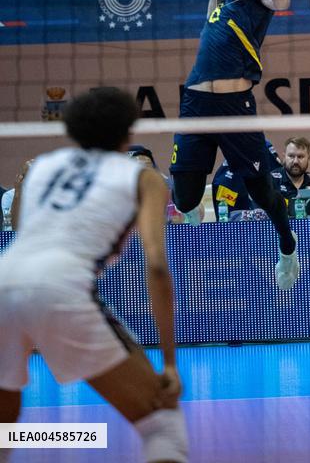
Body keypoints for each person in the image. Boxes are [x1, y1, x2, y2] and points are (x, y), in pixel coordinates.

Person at [0, 87, 187, 463]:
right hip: (62, 286)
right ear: (129, 130)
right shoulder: (143, 178)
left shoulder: (44, 167)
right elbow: (155, 265)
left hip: (4, 278)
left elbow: (22, 227)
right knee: (162, 422)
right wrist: (169, 362)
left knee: (4, 426)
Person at [170, 0, 300, 290]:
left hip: (235, 106)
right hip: (196, 105)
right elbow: (212, 16)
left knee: (261, 191)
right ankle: (190, 207)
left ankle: (287, 246)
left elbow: (282, 1)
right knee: (184, 198)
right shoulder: (225, 1)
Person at [211, 139, 281, 219]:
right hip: (239, 225)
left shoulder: (264, 145)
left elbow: (277, 167)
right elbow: (225, 220)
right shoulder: (224, 182)